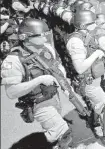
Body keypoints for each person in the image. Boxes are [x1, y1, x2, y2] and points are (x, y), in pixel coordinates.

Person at [1, 18, 73, 149]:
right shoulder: (13, 59)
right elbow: (11, 92)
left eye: (46, 35)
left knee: (57, 133)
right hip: (37, 103)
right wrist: (39, 80)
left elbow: (56, 65)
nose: (45, 39)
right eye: (41, 35)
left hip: (53, 96)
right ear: (25, 37)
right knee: (63, 132)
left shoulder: (46, 48)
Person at [66, 10, 105, 149]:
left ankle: (94, 121)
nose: (95, 24)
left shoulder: (87, 35)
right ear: (84, 25)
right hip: (86, 81)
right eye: (92, 23)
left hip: (94, 77)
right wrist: (96, 54)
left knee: (96, 104)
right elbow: (79, 68)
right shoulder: (76, 41)